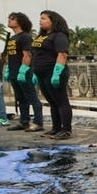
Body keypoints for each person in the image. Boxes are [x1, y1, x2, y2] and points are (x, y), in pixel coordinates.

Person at [32, 10, 73, 139]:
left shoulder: (59, 36)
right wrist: (35, 72)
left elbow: (62, 54)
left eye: (44, 18)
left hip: (53, 72)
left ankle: (66, 129)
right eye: (40, 18)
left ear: (53, 21)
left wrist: (56, 73)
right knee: (52, 101)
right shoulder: (41, 36)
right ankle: (56, 128)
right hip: (41, 73)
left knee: (61, 101)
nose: (40, 21)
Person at [3, 12, 44, 132]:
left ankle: (38, 122)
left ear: (19, 22)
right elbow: (10, 55)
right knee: (20, 98)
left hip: (24, 72)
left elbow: (27, 54)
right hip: (14, 71)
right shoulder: (12, 38)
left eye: (12, 19)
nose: (9, 20)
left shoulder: (25, 37)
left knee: (32, 97)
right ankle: (24, 121)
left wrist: (23, 69)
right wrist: (8, 69)